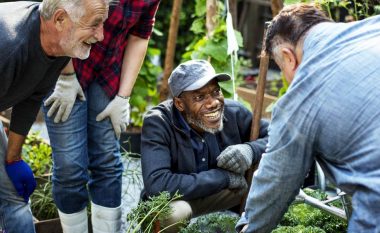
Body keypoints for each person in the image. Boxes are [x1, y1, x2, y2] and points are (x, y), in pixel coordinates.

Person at [237, 3, 380, 233]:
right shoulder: (373, 27)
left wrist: (248, 227)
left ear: (288, 57)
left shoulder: (300, 98)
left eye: (281, 67)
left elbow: (274, 185)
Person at [41, 1, 161, 232]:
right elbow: (56, 18)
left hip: (107, 72)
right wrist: (66, 77)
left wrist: (123, 97)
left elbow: (140, 35)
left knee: (107, 161)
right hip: (64, 63)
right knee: (70, 167)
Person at [0, 0, 110, 233]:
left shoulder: (58, 44)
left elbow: (30, 96)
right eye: (94, 24)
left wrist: (13, 157)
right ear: (60, 19)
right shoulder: (9, 45)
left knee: (13, 195)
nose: (101, 35)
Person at [140, 59, 269, 232]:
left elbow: (278, 136)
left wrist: (250, 150)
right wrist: (223, 178)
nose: (213, 103)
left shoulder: (234, 112)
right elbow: (157, 184)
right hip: (178, 200)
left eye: (216, 91)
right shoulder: (158, 123)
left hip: (222, 196)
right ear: (179, 104)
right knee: (172, 214)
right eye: (200, 97)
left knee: (267, 171)